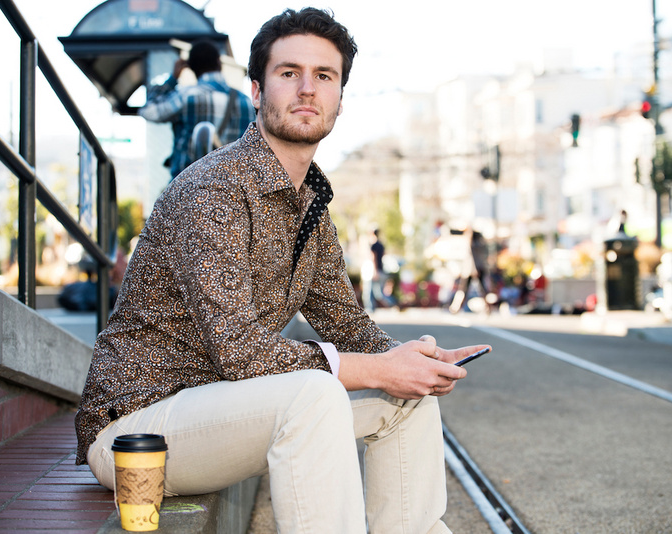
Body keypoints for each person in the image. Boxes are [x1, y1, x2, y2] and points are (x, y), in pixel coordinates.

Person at [76, 8, 487, 533]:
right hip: (136, 432)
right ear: (255, 89)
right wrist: (380, 369)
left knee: (407, 400)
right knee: (312, 390)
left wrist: (414, 361)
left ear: (340, 97)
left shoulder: (310, 203)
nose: (307, 89)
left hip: (230, 413)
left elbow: (350, 327)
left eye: (324, 76)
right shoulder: (215, 189)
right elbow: (241, 351)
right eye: (289, 73)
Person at [139, 39, 257, 180]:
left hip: (188, 189)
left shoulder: (186, 96)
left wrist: (172, 79)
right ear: (219, 63)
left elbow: (148, 111)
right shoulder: (246, 102)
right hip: (232, 191)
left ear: (191, 68)